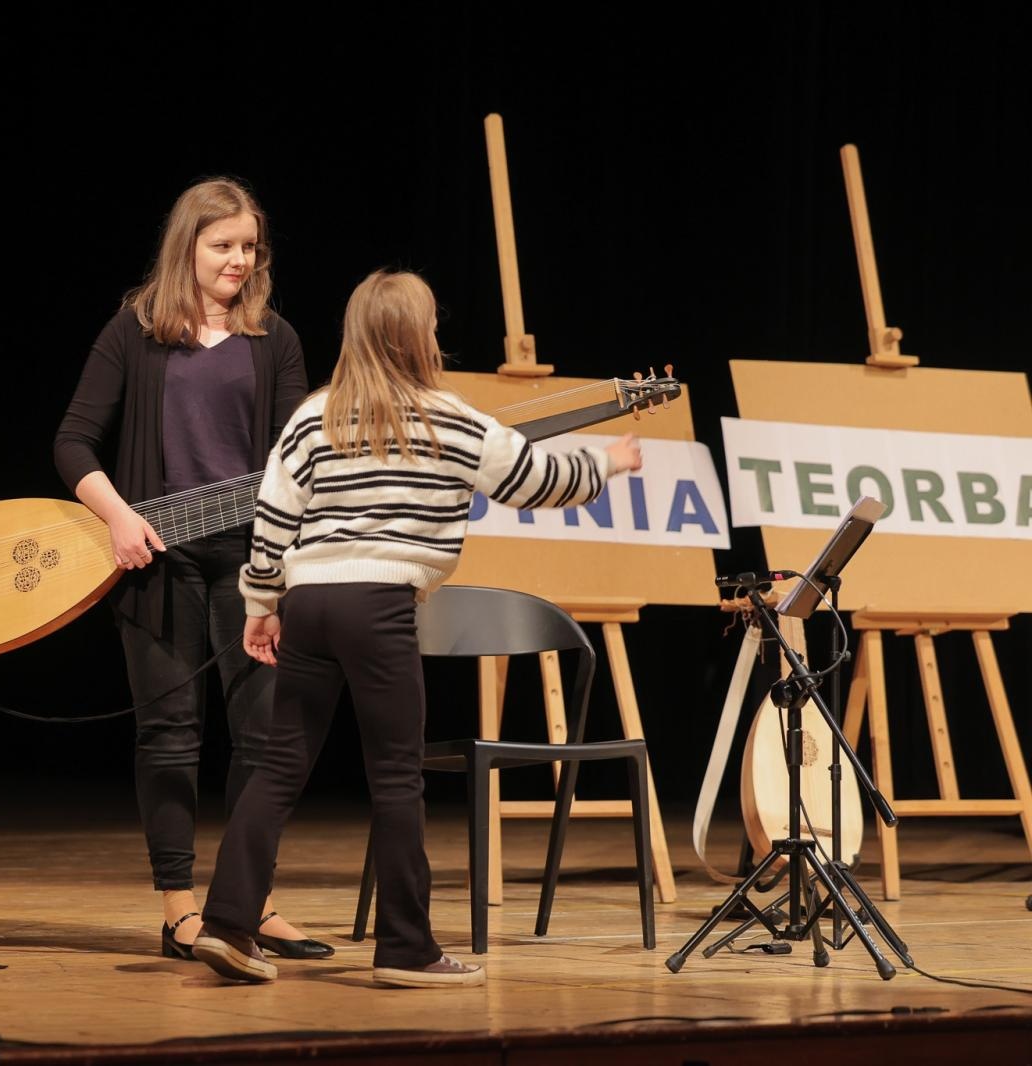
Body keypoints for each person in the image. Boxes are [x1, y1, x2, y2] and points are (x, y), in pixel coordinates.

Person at [192, 270, 644, 988]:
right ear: (415, 337)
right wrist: (608, 463)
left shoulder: (315, 418)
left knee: (280, 768)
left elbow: (274, 515)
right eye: (431, 324)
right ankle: (405, 948)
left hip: (310, 602)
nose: (437, 333)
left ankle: (226, 925)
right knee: (397, 778)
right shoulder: (451, 420)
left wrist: (259, 605)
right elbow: (536, 480)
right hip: (378, 606)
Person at [53, 177, 325, 960]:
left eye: (248, 247)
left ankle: (250, 903)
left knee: (264, 739)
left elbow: (293, 456)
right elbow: (72, 442)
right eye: (222, 246)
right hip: (156, 564)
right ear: (188, 247)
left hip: (252, 566)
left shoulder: (275, 338)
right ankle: (180, 911)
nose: (239, 260)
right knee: (169, 738)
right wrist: (118, 516)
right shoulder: (134, 332)